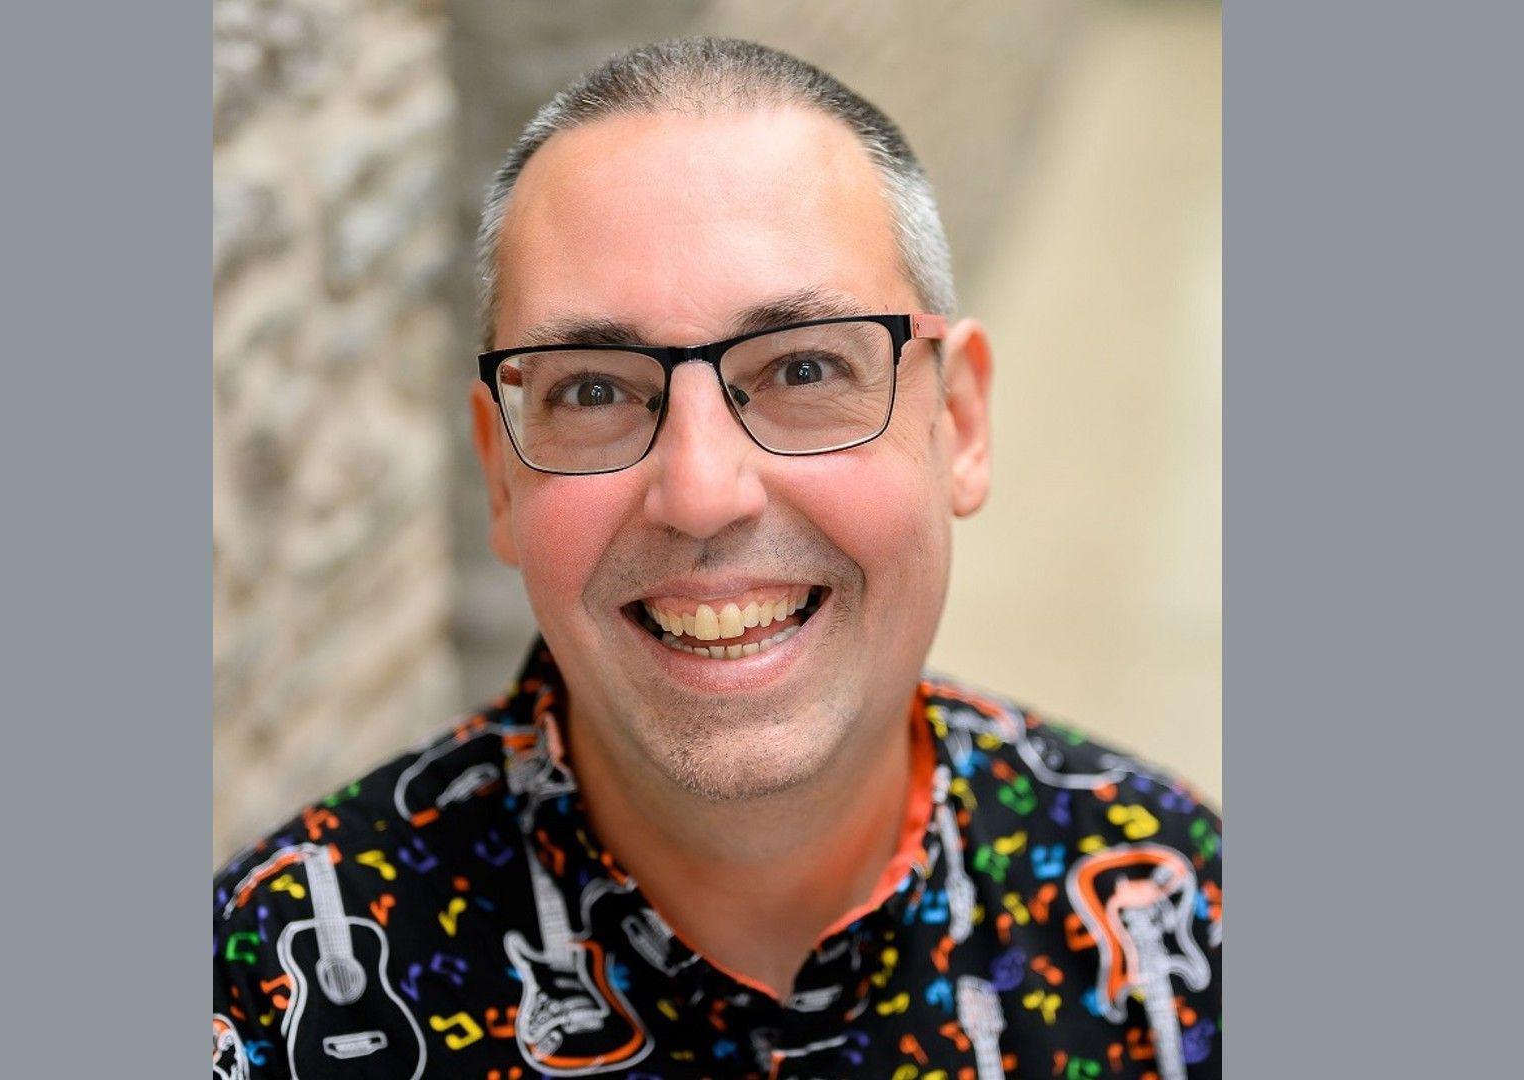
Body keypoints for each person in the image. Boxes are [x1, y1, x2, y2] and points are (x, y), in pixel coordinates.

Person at [213, 37, 1221, 1080]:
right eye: (593, 390)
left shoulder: (1182, 915)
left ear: (959, 423)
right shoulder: (261, 1007)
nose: (701, 492)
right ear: (501, 478)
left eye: (803, 367)